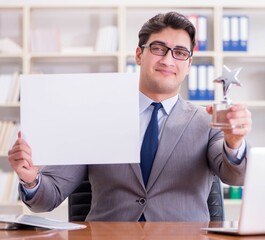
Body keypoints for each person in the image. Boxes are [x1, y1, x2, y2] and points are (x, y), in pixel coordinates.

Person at [8, 12, 252, 221]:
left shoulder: (208, 121)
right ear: (139, 55)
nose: (168, 59)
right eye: (158, 48)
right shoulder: (96, 118)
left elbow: (235, 175)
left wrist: (234, 143)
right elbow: (47, 198)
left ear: (188, 64)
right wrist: (31, 180)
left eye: (179, 52)